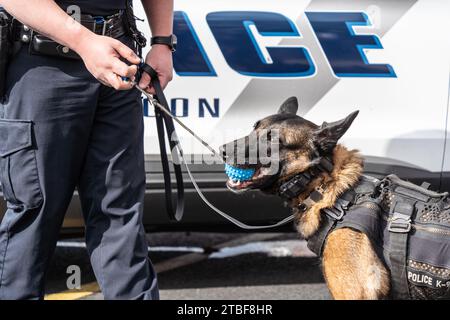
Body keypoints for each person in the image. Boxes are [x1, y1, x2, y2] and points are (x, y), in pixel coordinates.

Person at [0, 0, 175, 300]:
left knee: (121, 217)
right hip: (41, 61)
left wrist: (162, 41)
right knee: (33, 218)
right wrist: (83, 40)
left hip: (117, 58)